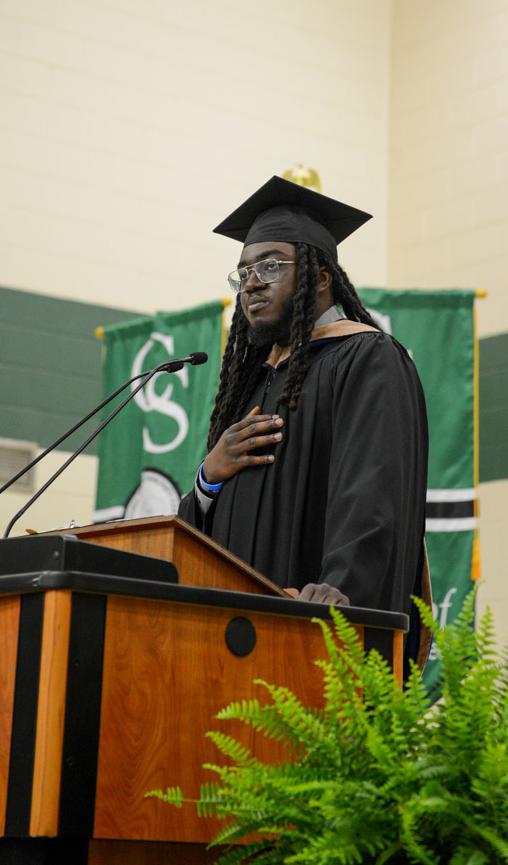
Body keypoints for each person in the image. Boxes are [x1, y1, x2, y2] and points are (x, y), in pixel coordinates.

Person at [178, 175, 430, 664]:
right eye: (244, 271)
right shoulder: (251, 383)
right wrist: (208, 480)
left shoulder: (366, 358)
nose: (252, 282)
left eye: (271, 265)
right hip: (232, 644)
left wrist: (338, 593)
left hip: (312, 634)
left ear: (319, 277)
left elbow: (374, 494)